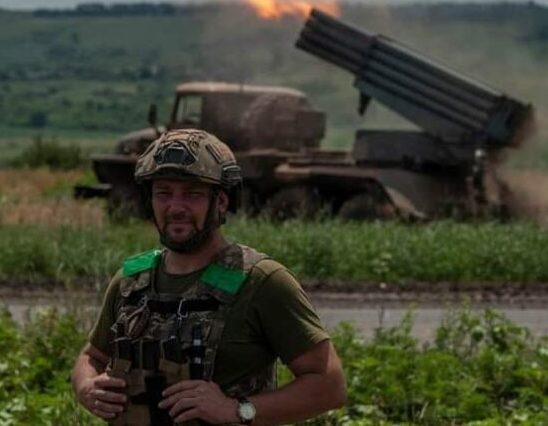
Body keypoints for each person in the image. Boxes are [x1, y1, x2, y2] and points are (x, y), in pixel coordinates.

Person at [71, 129, 346, 425]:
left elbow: (328, 386)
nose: (176, 207)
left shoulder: (262, 281)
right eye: (163, 193)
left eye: (193, 194)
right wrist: (86, 386)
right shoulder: (131, 280)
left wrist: (237, 410)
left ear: (221, 202)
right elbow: (91, 357)